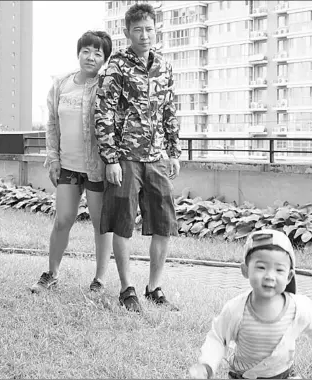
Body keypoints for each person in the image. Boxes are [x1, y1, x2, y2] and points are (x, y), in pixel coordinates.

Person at [95, 3, 181, 313]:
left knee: (163, 223)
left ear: (156, 30)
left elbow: (170, 109)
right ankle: (126, 288)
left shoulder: (165, 66)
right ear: (127, 32)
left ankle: (154, 287)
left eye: (149, 29)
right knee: (123, 223)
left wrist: (174, 151)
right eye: (137, 30)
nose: (144, 35)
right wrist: (111, 158)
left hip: (157, 156)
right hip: (126, 157)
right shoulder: (116, 65)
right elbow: (103, 112)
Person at [188, 230, 312, 379]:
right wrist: (207, 365)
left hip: (283, 375)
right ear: (245, 270)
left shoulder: (298, 307)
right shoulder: (236, 310)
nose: (270, 276)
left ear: (289, 276)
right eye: (261, 267)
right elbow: (218, 337)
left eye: (279, 270)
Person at [30, 31, 113, 294]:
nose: (91, 57)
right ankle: (52, 273)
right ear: (78, 53)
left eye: (98, 53)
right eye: (86, 51)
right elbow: (52, 124)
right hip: (67, 166)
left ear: (105, 59)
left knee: (101, 224)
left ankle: (99, 279)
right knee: (63, 219)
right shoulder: (61, 84)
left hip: (97, 167)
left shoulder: (106, 85)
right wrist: (52, 157)